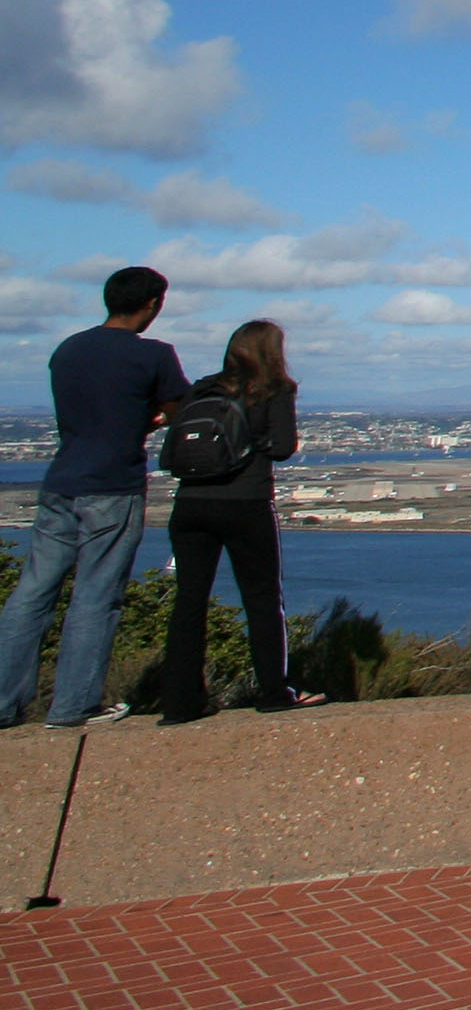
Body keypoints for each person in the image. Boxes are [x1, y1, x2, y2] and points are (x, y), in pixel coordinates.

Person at [0, 266, 189, 729]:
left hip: (61, 482)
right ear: (152, 305)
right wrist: (153, 419)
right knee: (96, 596)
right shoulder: (154, 356)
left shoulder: (69, 350)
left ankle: (4, 703)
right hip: (113, 485)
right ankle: (74, 706)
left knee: (32, 593)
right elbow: (176, 409)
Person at [157, 317, 324, 722]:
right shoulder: (275, 389)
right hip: (245, 502)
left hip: (191, 503)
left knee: (189, 602)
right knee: (263, 599)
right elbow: (283, 446)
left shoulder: (203, 387)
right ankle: (272, 691)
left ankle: (179, 703)